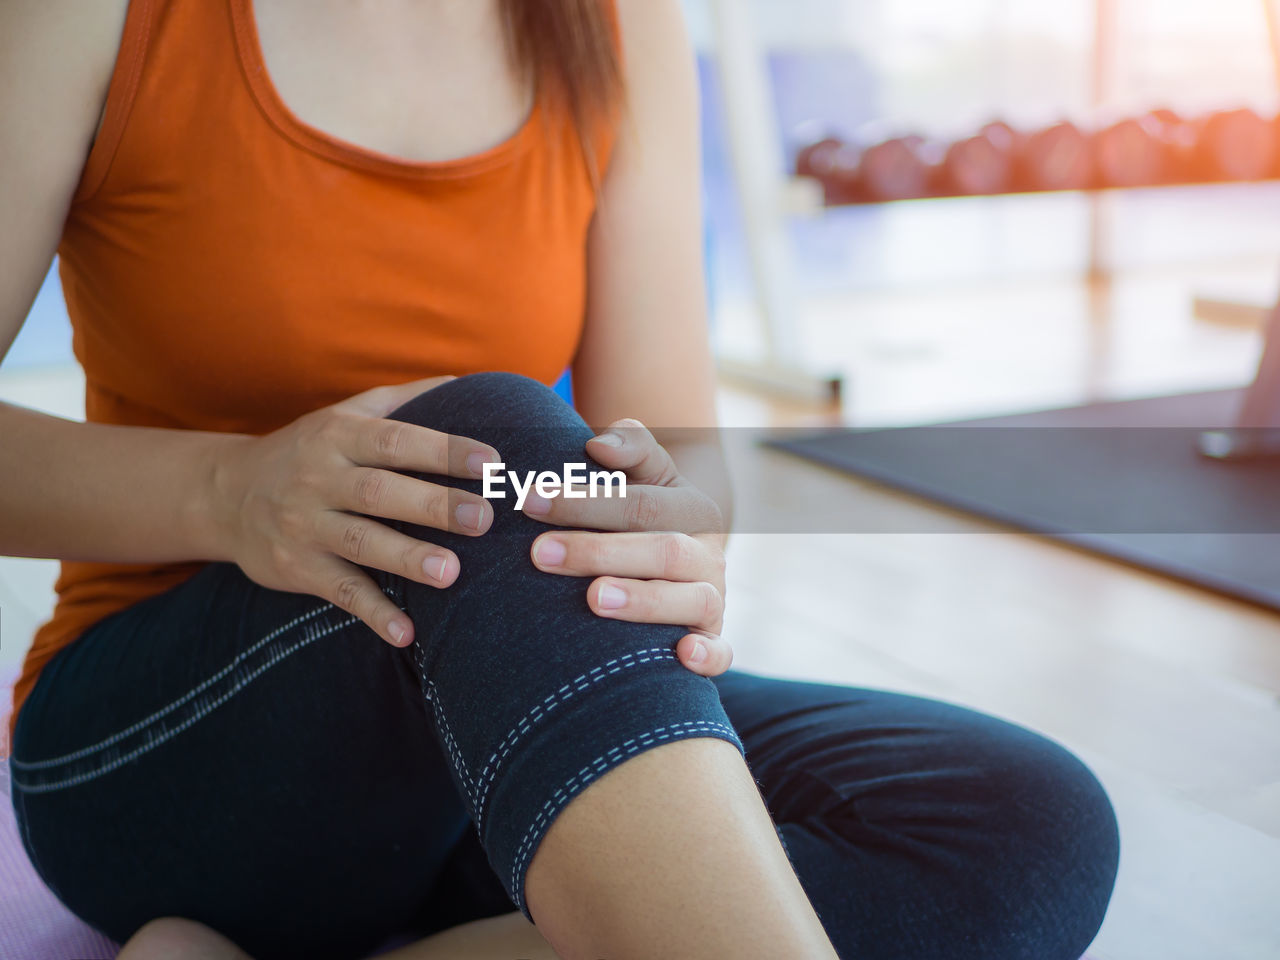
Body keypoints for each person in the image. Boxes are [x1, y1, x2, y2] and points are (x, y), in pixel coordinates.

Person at [1, 1, 1120, 958]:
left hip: (476, 722)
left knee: (1014, 821)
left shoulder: (614, 21)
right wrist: (231, 491)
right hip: (170, 751)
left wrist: (657, 520)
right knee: (486, 447)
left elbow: (675, 459)